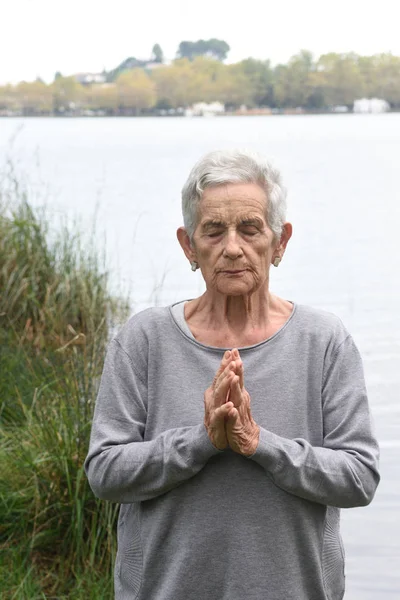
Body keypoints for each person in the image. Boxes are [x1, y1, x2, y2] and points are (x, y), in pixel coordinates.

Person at [84, 149, 380, 600]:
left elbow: (358, 478)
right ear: (189, 246)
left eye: (250, 228)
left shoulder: (323, 341)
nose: (233, 247)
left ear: (280, 242)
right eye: (214, 231)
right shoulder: (143, 340)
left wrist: (260, 444)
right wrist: (201, 442)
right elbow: (105, 472)